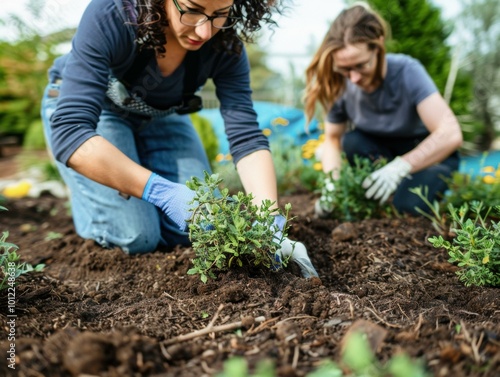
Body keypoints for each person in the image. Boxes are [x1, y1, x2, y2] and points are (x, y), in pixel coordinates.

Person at [41, 0, 318, 277]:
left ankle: (122, 177)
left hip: (160, 114)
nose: (205, 31)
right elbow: (72, 130)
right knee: (137, 236)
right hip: (95, 112)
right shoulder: (113, 15)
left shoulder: (225, 44)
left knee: (200, 226)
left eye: (220, 14)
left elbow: (246, 136)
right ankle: (93, 190)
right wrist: (162, 193)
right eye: (193, 10)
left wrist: (267, 221)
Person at [303, 2, 463, 217]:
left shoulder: (408, 71)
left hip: (428, 154)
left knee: (408, 207)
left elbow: (450, 132)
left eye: (361, 65)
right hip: (380, 152)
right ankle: (386, 191)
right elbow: (332, 139)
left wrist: (401, 167)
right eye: (345, 69)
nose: (354, 78)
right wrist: (332, 187)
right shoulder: (340, 83)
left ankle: (423, 190)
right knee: (352, 140)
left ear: (378, 46)